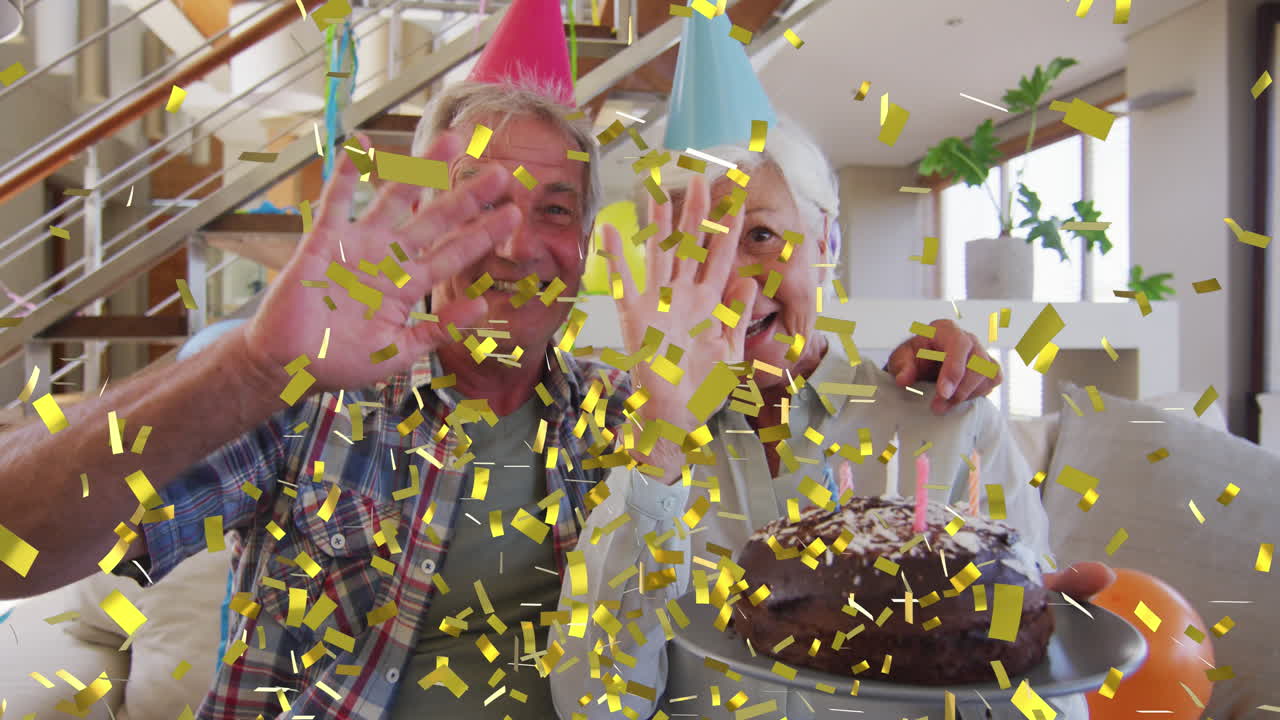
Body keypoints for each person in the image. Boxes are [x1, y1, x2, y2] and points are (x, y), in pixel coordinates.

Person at [0, 18, 1002, 720]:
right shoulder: (307, 401)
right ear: (418, 218)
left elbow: (804, 468)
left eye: (557, 210)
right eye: (479, 196)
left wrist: (924, 377)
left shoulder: (631, 415)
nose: (516, 242)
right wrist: (252, 367)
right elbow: (15, 543)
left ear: (589, 254)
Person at [551, 116, 1114, 719]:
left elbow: (1042, 691)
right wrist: (659, 444)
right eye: (697, 255)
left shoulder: (948, 419)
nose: (733, 285)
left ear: (825, 248)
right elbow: (596, 707)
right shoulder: (629, 441)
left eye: (760, 236)